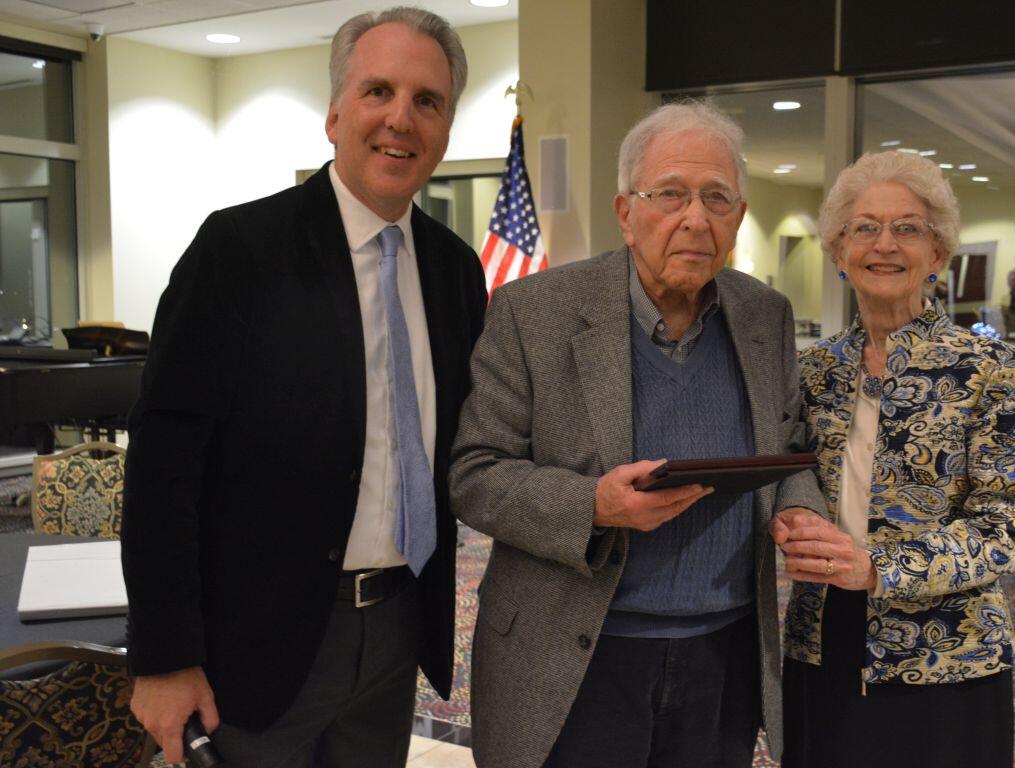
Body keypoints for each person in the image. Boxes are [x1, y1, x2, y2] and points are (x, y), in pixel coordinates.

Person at [120, 8, 487, 766]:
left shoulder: (456, 271)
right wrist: (163, 657)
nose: (400, 119)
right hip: (258, 648)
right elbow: (162, 472)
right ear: (334, 113)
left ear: (446, 127)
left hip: (395, 636)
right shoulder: (238, 252)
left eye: (428, 101)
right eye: (378, 90)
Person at [449, 100, 825, 768]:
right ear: (626, 212)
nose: (695, 218)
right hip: (574, 655)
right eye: (670, 195)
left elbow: (792, 445)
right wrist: (592, 505)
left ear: (737, 218)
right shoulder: (534, 312)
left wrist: (798, 507)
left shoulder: (765, 314)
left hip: (724, 653)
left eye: (716, 198)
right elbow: (476, 473)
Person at [770, 151, 1015, 768]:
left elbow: (1009, 528)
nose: (883, 244)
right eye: (864, 227)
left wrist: (879, 568)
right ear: (839, 251)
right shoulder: (811, 372)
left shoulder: (990, 371)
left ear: (938, 254)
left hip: (947, 652)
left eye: (907, 228)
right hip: (822, 636)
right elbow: (787, 482)